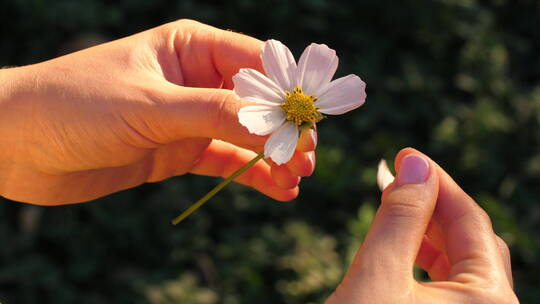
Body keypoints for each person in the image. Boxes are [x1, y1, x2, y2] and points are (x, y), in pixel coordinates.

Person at [0, 20, 518, 303]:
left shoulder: (298, 118)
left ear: (310, 111)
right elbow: (253, 97)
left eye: (306, 109)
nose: (303, 109)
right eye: (300, 106)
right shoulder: (279, 111)